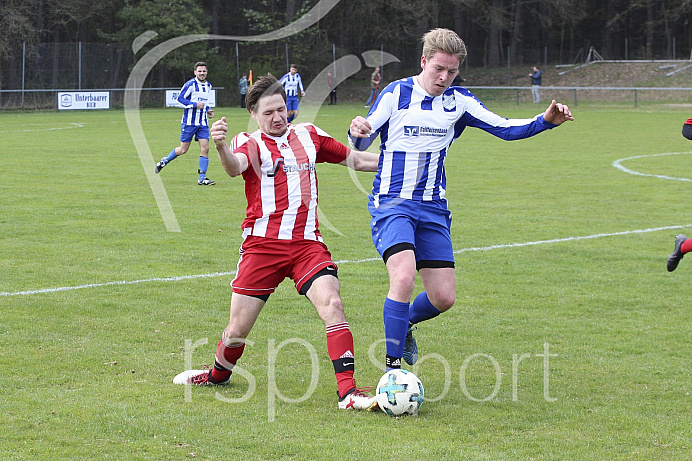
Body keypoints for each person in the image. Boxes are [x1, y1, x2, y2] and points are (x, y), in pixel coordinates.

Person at [348, 28, 574, 372]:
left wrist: (545, 121)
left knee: (443, 297)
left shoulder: (460, 102)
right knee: (404, 277)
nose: (444, 77)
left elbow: (506, 128)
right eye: (438, 68)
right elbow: (362, 144)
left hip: (434, 208)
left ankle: (405, 323)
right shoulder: (396, 94)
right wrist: (356, 132)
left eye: (451, 71)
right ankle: (393, 370)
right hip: (393, 203)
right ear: (424, 61)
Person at [173, 74, 381, 411]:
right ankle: (217, 375)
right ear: (254, 115)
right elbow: (233, 167)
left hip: (306, 245)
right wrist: (222, 146)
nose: (277, 117)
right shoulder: (249, 142)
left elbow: (356, 160)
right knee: (237, 330)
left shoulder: (309, 135)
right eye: (268, 112)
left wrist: (408, 163)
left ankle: (348, 393)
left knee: (333, 304)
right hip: (262, 247)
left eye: (282, 109)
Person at [155, 61, 216, 185]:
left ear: (207, 72)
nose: (202, 73)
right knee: (183, 150)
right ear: (195, 72)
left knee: (205, 148)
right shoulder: (190, 84)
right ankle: (164, 161)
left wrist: (208, 110)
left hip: (202, 123)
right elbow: (180, 98)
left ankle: (202, 178)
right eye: (199, 71)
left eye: (204, 71)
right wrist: (195, 105)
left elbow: (204, 101)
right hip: (189, 122)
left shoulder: (208, 86)